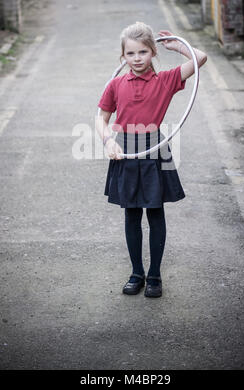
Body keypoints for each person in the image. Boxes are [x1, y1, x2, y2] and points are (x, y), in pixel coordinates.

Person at [96, 22, 207, 298]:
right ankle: (137, 273)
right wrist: (108, 140)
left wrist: (178, 46)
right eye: (131, 54)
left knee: (155, 213)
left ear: (153, 52)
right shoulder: (116, 84)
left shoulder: (166, 80)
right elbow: (101, 118)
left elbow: (200, 58)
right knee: (131, 213)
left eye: (143, 52)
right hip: (125, 149)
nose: (137, 59)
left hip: (154, 147)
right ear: (123, 57)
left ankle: (155, 276)